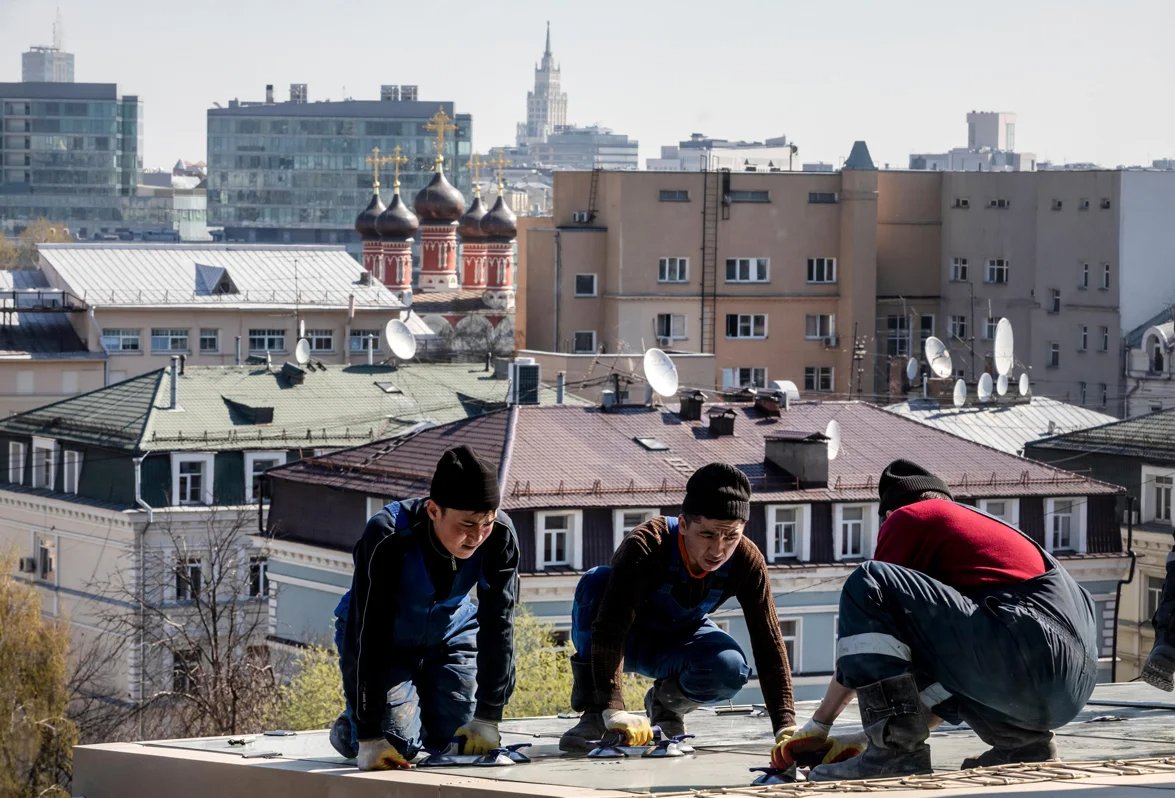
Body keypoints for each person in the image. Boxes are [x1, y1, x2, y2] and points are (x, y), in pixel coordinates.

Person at [773, 459, 1099, 781]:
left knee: (868, 583)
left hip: (1020, 650)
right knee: (920, 644)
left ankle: (894, 755)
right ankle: (1024, 746)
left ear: (889, 514)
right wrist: (863, 740)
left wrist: (821, 724)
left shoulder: (909, 517)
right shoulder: (987, 535)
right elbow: (946, 668)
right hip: (1069, 687)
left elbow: (868, 626)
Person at [559, 462, 797, 752]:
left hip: (679, 642)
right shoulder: (648, 544)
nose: (718, 550)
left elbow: (768, 640)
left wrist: (785, 726)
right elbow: (611, 625)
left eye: (731, 536)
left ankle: (667, 705)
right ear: (683, 524)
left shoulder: (747, 561)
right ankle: (595, 714)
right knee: (596, 584)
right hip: (620, 641)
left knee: (730, 668)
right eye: (707, 535)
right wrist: (613, 708)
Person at [328, 445, 519, 770]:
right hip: (384, 641)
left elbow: (499, 623)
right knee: (398, 745)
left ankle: (427, 717)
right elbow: (367, 635)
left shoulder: (499, 536)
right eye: (467, 524)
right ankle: (350, 729)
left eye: (486, 523)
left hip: (450, 634)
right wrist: (370, 735)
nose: (477, 536)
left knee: (457, 740)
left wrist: (488, 714)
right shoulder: (389, 536)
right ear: (433, 511)